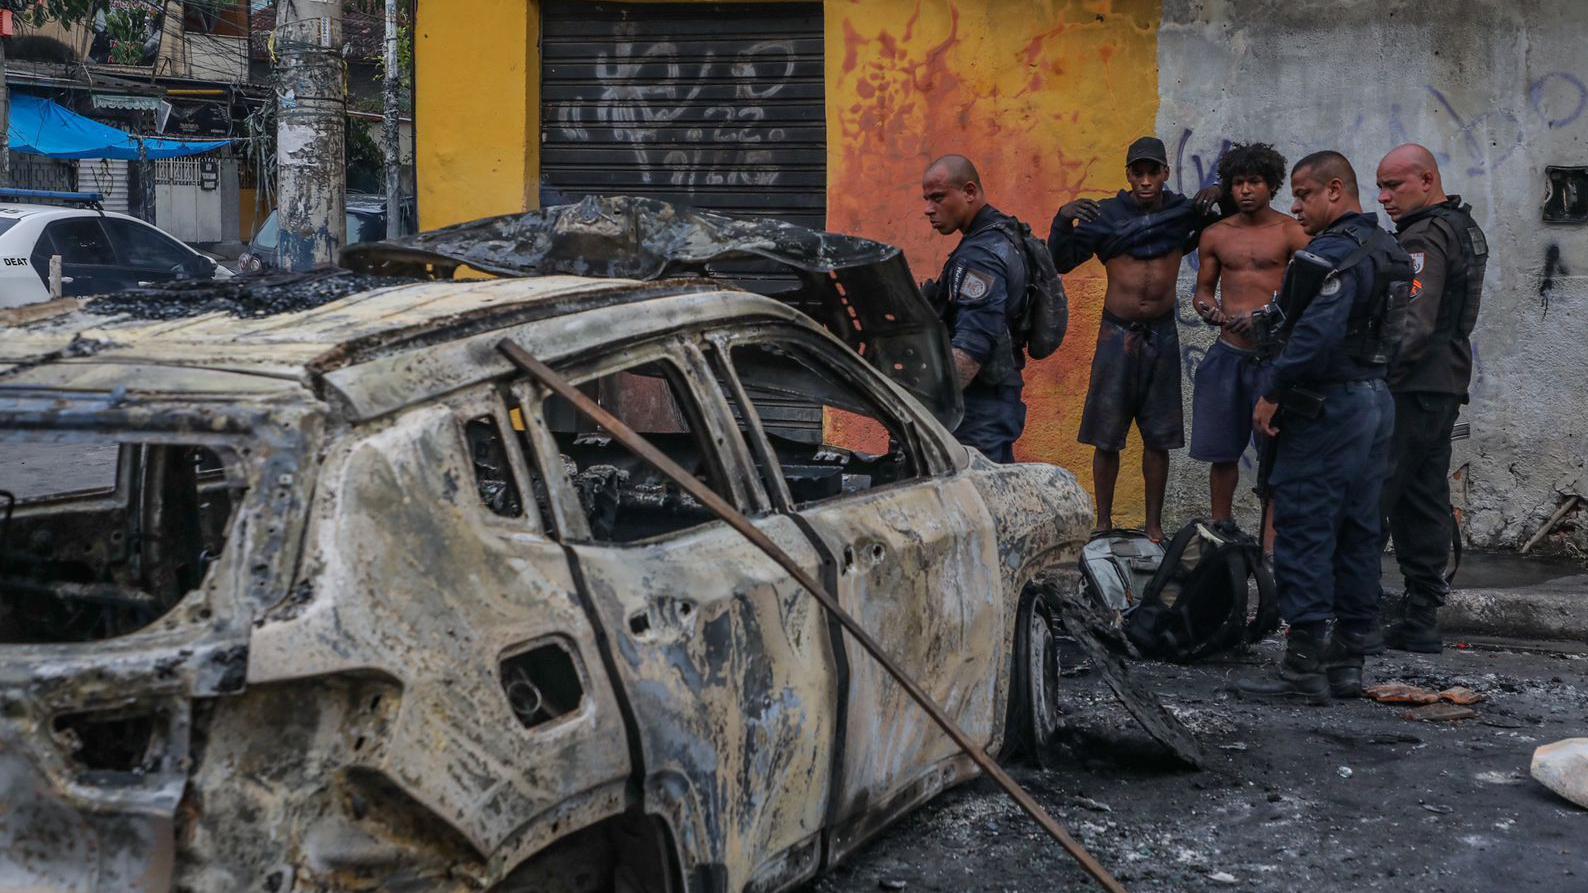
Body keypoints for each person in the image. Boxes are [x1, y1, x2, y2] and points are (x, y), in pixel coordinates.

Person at [1237, 151, 1410, 702]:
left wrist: (1273, 391)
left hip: (1327, 405)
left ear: (1335, 191)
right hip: (1375, 401)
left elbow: (1313, 336)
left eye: (1304, 194)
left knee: (1308, 523)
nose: (1296, 206)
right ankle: (1349, 659)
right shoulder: (1391, 251)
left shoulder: (1333, 255)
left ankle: (1305, 664)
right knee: (1359, 527)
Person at [1048, 136, 1222, 541]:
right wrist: (1061, 218)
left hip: (1162, 333)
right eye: (1137, 172)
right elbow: (1060, 261)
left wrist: (1222, 194)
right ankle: (1103, 522)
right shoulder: (1105, 216)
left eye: (1152, 172)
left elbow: (1226, 226)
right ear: (1128, 175)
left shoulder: (1183, 213)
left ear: (1164, 173)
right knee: (1106, 434)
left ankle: (1154, 525)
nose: (1145, 180)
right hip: (1117, 333)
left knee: (1158, 435)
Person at [1374, 144, 1487, 653]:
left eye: (1394, 186)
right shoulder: (1460, 226)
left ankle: (1352, 615)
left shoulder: (1424, 236)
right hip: (1441, 386)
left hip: (1412, 387)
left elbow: (1413, 325)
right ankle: (1420, 617)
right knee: (1422, 499)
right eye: (1380, 186)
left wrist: (1380, 376)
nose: (1384, 197)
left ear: (1426, 179)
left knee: (1372, 494)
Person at [1190, 143, 1310, 537]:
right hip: (1228, 355)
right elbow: (1203, 290)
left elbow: (1306, 295)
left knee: (1277, 452)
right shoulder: (1215, 235)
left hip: (1274, 357)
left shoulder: (1293, 232)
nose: (1245, 190)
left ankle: (1272, 545)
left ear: (1272, 185)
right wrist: (1209, 308)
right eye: (1238, 182)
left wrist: (1263, 316)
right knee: (1222, 452)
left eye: (1254, 182)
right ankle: (1221, 525)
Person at [921, 154, 1031, 463]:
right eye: (927, 199)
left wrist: (926, 406)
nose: (928, 209)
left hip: (979, 410)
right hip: (992, 403)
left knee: (978, 505)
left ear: (969, 192)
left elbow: (972, 347)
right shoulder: (1004, 234)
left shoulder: (980, 256)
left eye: (938, 197)